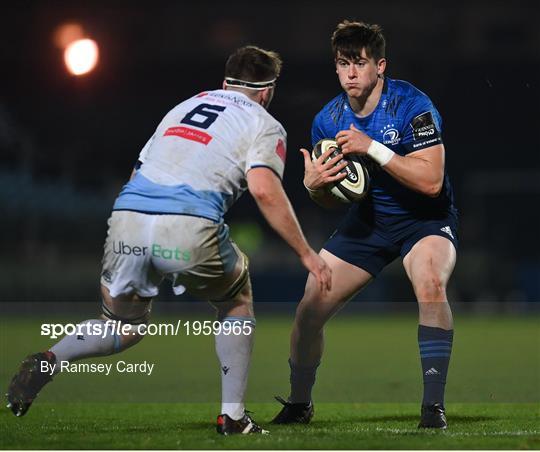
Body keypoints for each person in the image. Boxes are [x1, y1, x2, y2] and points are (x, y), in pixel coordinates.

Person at [6, 45, 332, 435]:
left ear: (224, 82)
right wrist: (306, 253)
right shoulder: (264, 122)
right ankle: (232, 416)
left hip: (127, 217)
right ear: (266, 92)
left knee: (120, 325)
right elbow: (263, 189)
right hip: (186, 224)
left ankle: (48, 361)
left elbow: (137, 170)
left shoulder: (183, 107)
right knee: (235, 301)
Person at [272, 21, 458, 429]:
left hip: (423, 220)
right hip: (370, 222)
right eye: (343, 64)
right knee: (308, 310)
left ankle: (432, 408)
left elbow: (431, 182)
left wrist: (371, 146)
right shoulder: (328, 120)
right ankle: (300, 403)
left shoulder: (412, 105)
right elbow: (334, 197)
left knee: (430, 284)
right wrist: (313, 187)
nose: (351, 73)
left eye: (360, 63)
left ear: (381, 67)